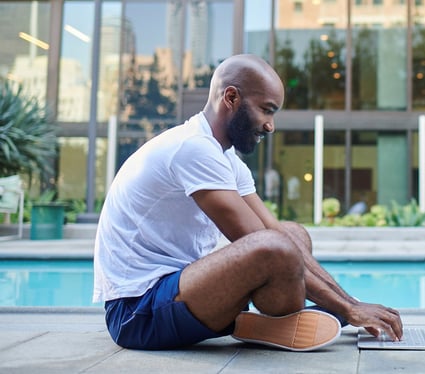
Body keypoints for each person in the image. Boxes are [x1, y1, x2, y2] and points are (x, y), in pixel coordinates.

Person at [93, 54, 402, 352]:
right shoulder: (192, 148)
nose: (270, 126)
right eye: (266, 110)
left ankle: (267, 324)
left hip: (174, 292)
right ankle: (272, 323)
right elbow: (262, 243)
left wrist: (350, 303)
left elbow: (278, 233)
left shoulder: (225, 158)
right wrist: (349, 308)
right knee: (274, 248)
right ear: (231, 98)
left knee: (294, 234)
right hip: (135, 313)